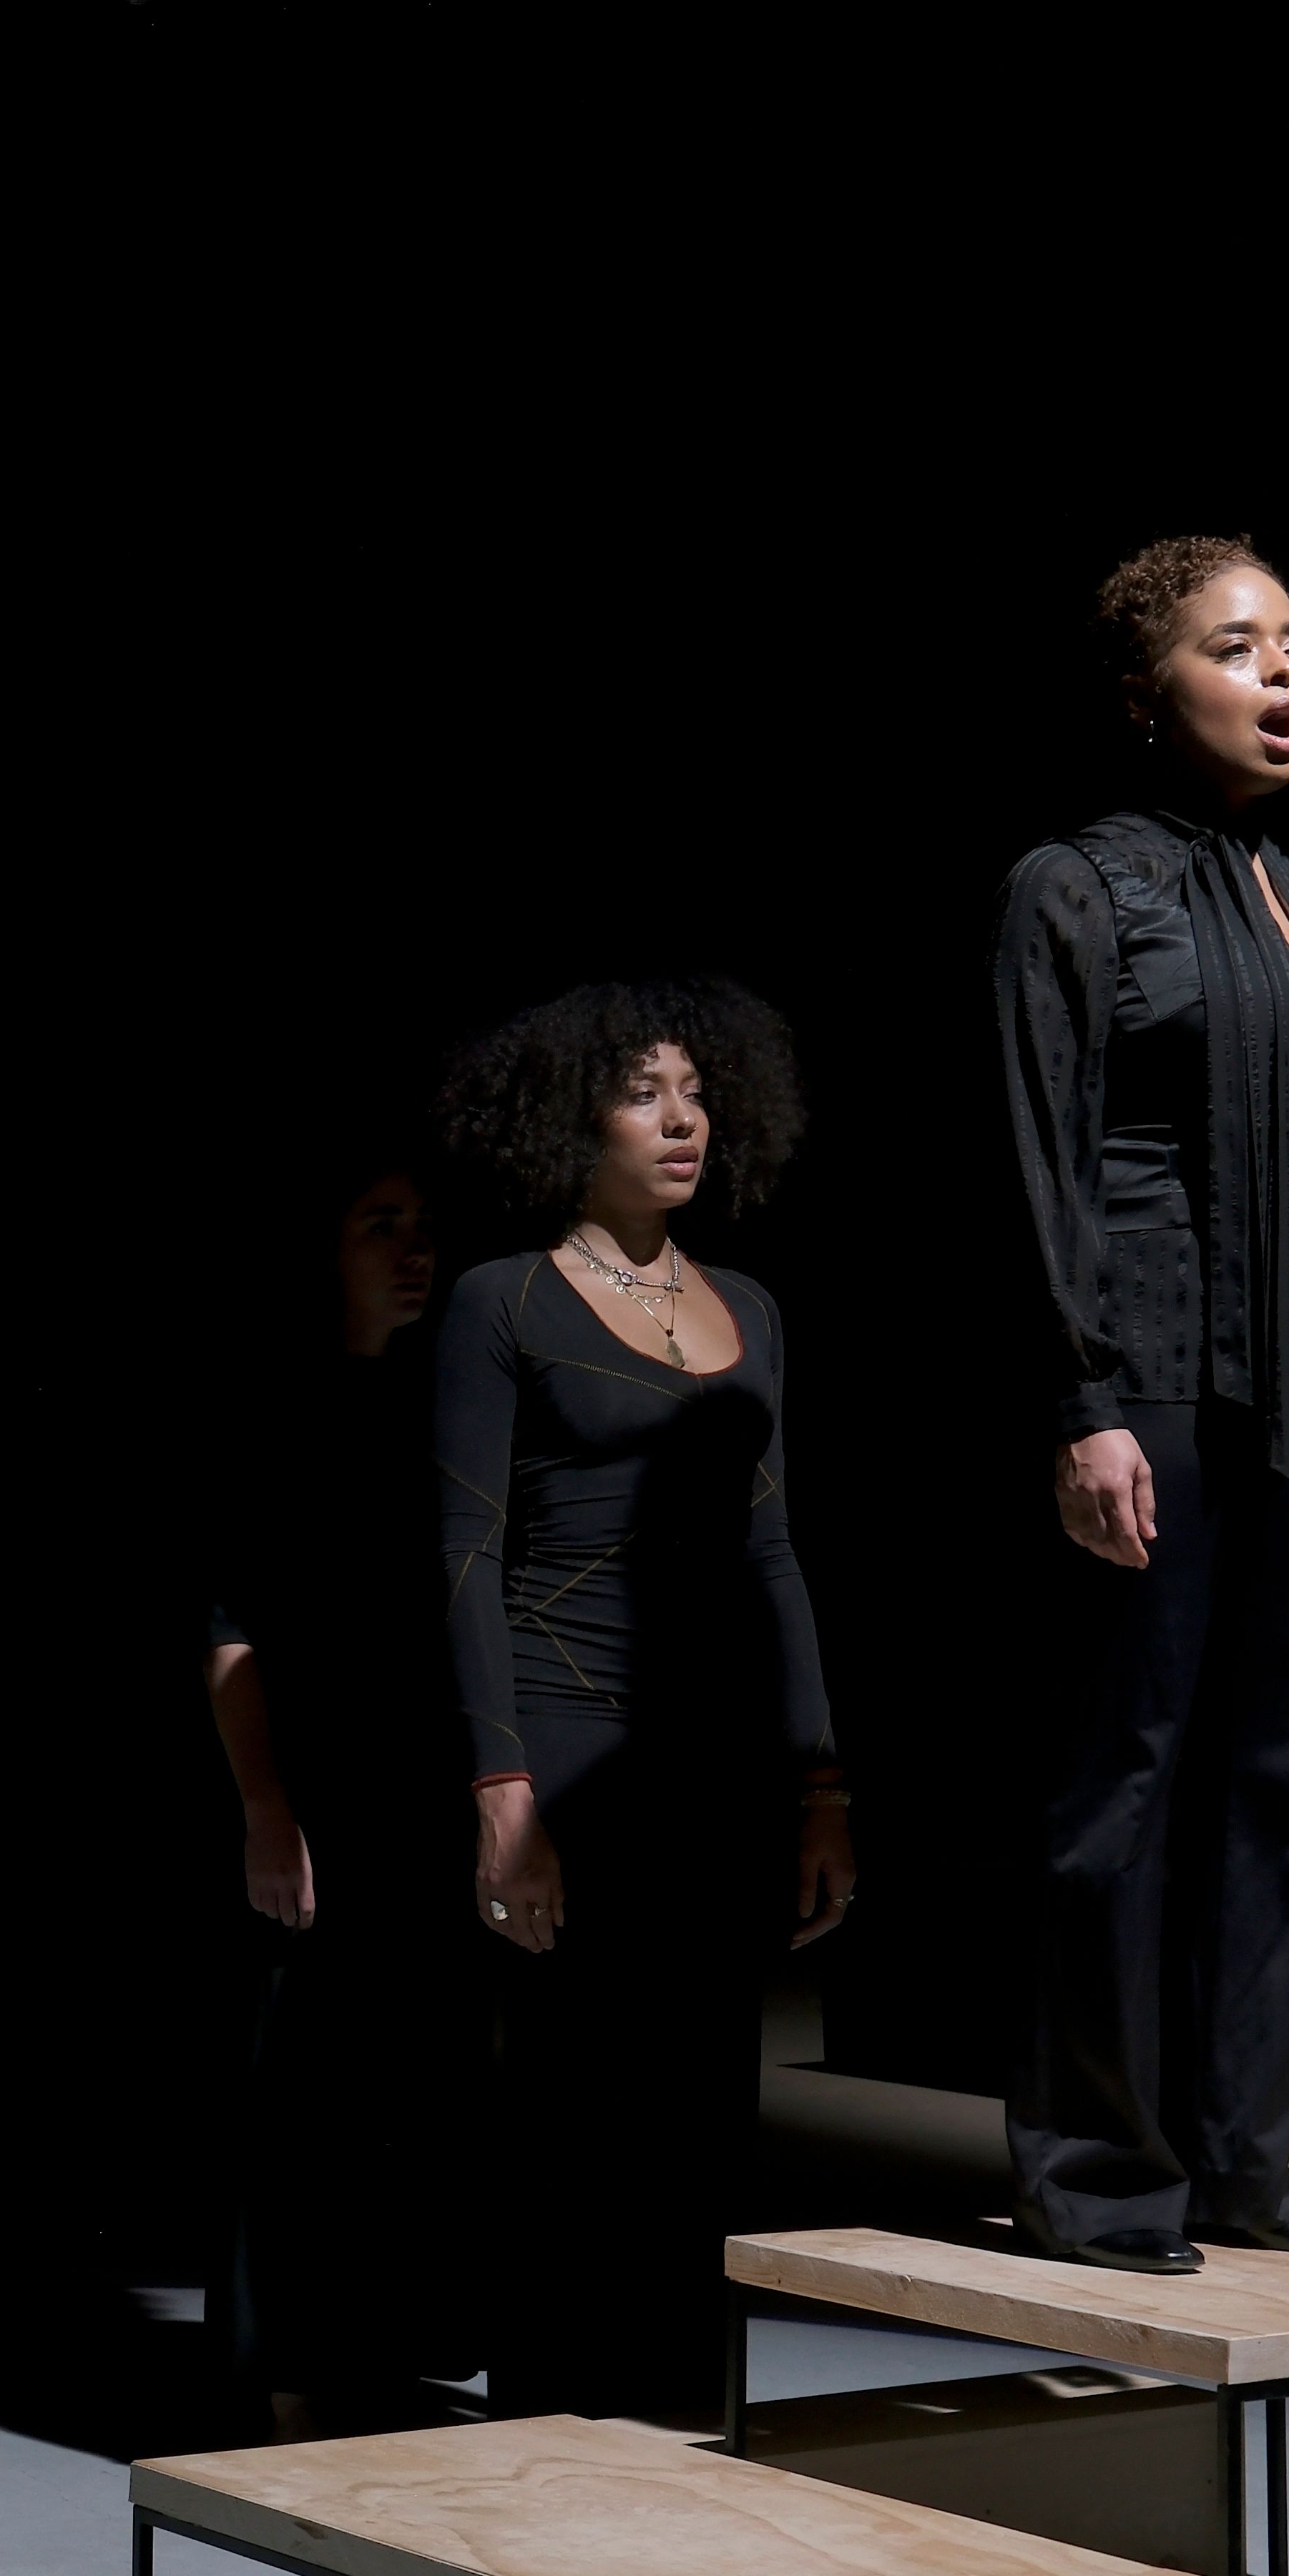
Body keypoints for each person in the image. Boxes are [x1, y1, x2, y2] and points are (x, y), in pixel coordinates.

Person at [990, 534, 1289, 2273]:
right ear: (1145, 693)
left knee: (1287, 1778)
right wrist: (1084, 1394)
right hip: (1157, 1368)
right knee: (1131, 1765)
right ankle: (1102, 2169)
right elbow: (1040, 1158)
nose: (1283, 677)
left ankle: (1243, 2157)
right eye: (1238, 646)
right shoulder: (1071, 887)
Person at [433, 982, 852, 2417]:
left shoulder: (755, 1309)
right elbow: (466, 1551)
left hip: (715, 1757)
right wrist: (501, 1791)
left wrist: (822, 1784)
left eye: (695, 1091)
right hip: (567, 1736)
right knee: (572, 2106)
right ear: (573, 1120)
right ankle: (550, 2431)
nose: (682, 1121)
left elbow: (775, 1551)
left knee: (701, 2110)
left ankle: (681, 2427)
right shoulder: (503, 1298)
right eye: (642, 1093)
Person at [201, 1161, 462, 2439]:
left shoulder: (447, 1404)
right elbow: (229, 1633)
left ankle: (383, 2362)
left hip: (421, 1790)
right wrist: (267, 1810)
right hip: (310, 1796)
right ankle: (292, 2383)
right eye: (379, 1225)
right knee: (300, 2094)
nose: (413, 1250)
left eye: (423, 1229)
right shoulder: (275, 1411)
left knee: (405, 2088)